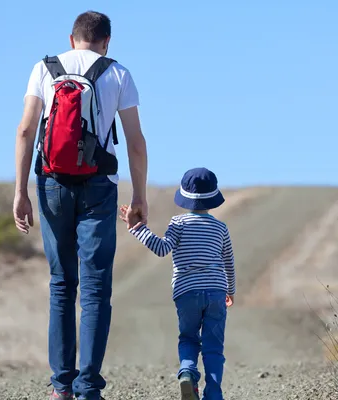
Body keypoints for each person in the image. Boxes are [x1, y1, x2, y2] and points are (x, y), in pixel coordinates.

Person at [13, 11, 148, 400]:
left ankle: (61, 389)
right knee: (94, 288)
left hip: (51, 181)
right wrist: (139, 196)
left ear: (72, 39)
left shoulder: (45, 68)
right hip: (98, 186)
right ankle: (88, 389)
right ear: (107, 41)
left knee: (61, 284)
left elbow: (25, 129)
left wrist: (21, 191)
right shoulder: (118, 73)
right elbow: (135, 142)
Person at [119, 167, 236, 400]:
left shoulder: (178, 223)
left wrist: (136, 228)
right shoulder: (220, 228)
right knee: (213, 346)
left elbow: (162, 249)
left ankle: (187, 372)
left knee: (189, 337)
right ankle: (213, 394)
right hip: (215, 292)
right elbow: (229, 263)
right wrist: (230, 290)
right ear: (212, 198)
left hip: (186, 293)